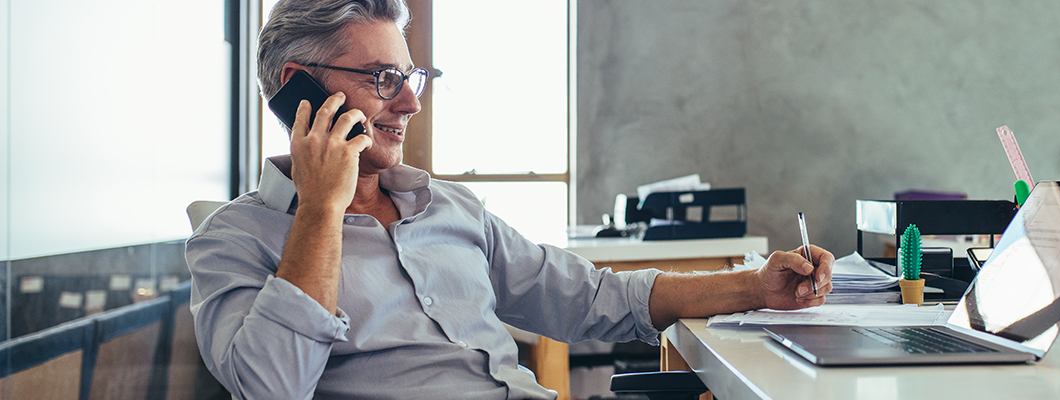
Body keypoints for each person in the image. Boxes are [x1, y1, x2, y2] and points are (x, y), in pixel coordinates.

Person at [185, 0, 833, 399]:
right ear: (299, 92)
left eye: (411, 77)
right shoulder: (234, 240)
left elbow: (594, 298)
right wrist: (323, 210)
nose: (411, 102)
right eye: (385, 80)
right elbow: (272, 388)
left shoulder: (449, 208)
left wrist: (757, 287)